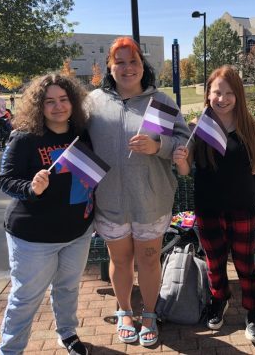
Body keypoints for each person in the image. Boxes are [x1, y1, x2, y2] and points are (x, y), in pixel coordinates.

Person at [85, 37, 191, 347]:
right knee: (119, 261)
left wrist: (159, 146)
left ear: (143, 65)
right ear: (110, 66)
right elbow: (72, 138)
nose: (127, 68)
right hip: (110, 200)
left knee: (148, 258)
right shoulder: (93, 102)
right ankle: (125, 312)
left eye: (133, 61)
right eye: (120, 61)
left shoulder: (162, 102)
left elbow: (185, 144)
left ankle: (150, 314)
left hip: (151, 199)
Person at [172, 65, 255, 344]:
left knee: (246, 265)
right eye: (217, 92)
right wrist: (180, 159)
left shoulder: (249, 126)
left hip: (241, 206)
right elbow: (184, 170)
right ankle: (219, 300)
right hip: (209, 208)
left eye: (229, 93)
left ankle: (253, 312)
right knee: (215, 263)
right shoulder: (198, 126)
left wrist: (238, 177)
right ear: (208, 95)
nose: (223, 98)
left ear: (238, 95)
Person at [0, 73, 93, 355]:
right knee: (25, 298)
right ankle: (10, 350)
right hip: (33, 237)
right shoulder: (25, 138)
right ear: (39, 106)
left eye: (63, 99)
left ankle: (67, 333)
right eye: (49, 101)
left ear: (73, 102)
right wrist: (30, 187)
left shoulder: (82, 134)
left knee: (67, 288)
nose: (58, 106)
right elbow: (6, 181)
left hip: (77, 232)